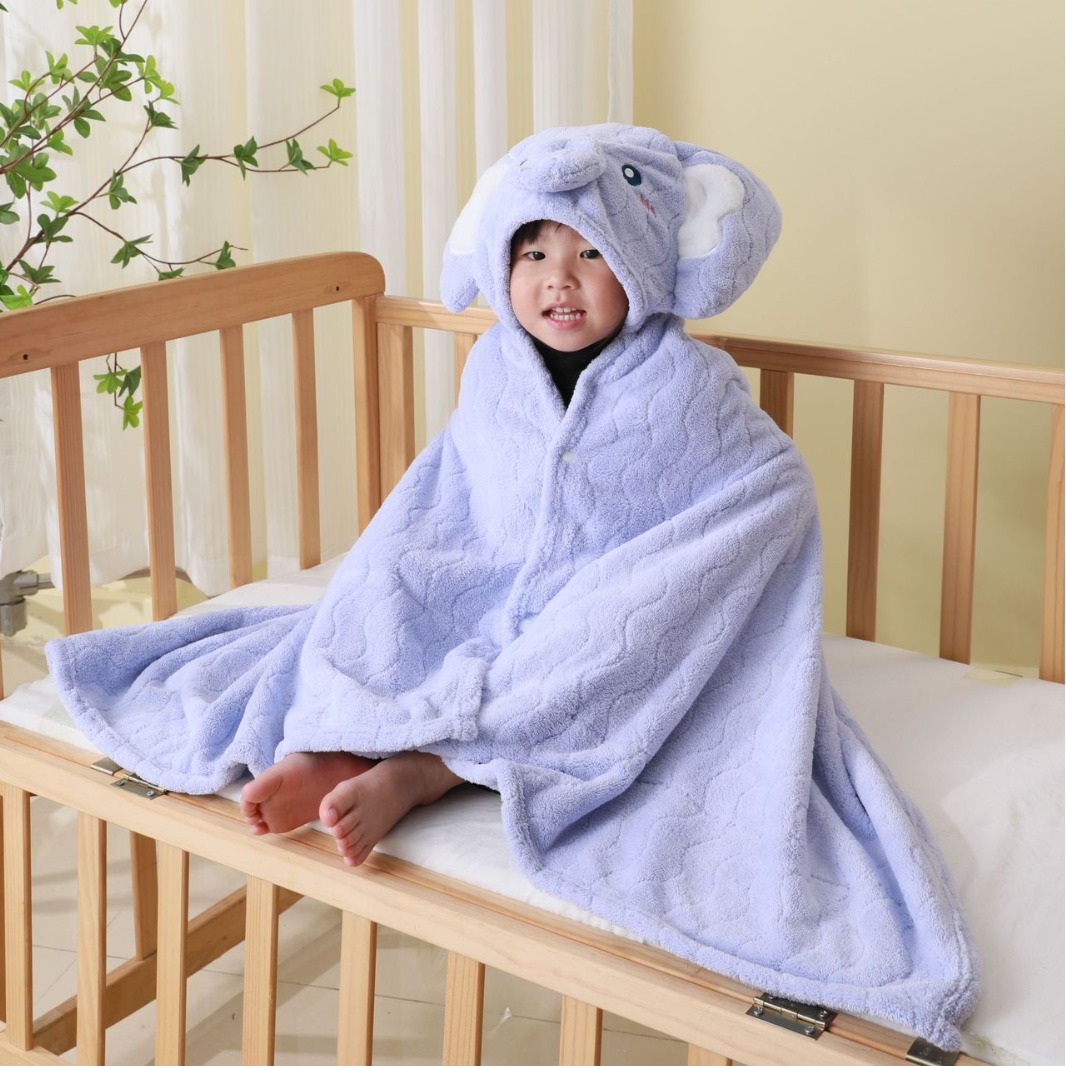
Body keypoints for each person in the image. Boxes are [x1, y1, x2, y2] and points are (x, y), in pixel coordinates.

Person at [239, 217, 631, 866]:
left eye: (592, 252)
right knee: (383, 573)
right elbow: (458, 483)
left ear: (638, 264)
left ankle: (427, 770)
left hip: (587, 587)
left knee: (609, 641)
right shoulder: (496, 362)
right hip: (486, 562)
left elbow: (744, 489)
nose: (560, 278)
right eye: (535, 254)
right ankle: (338, 734)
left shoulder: (682, 377)